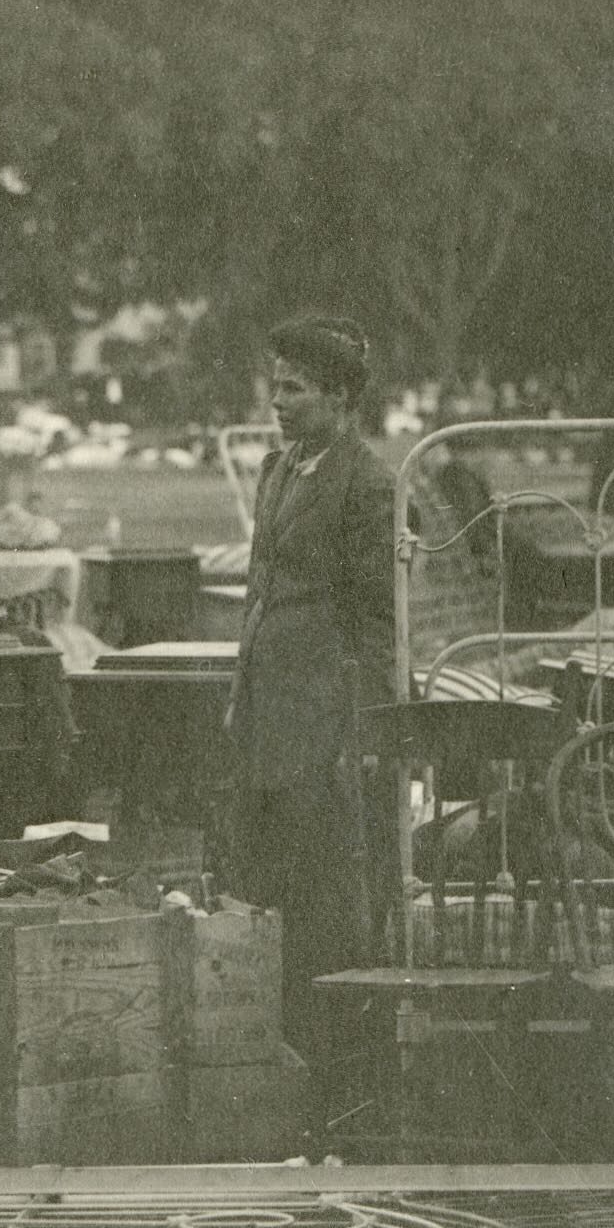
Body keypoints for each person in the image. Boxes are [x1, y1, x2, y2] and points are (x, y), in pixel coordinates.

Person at [222, 316, 397, 996]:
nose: (277, 403)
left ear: (339, 399)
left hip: (323, 717)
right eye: (274, 387)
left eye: (293, 390)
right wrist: (242, 690)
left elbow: (378, 616)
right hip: (267, 707)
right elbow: (258, 593)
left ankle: (326, 1014)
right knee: (260, 869)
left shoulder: (366, 485)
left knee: (320, 875)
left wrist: (369, 723)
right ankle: (271, 1010)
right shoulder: (278, 469)